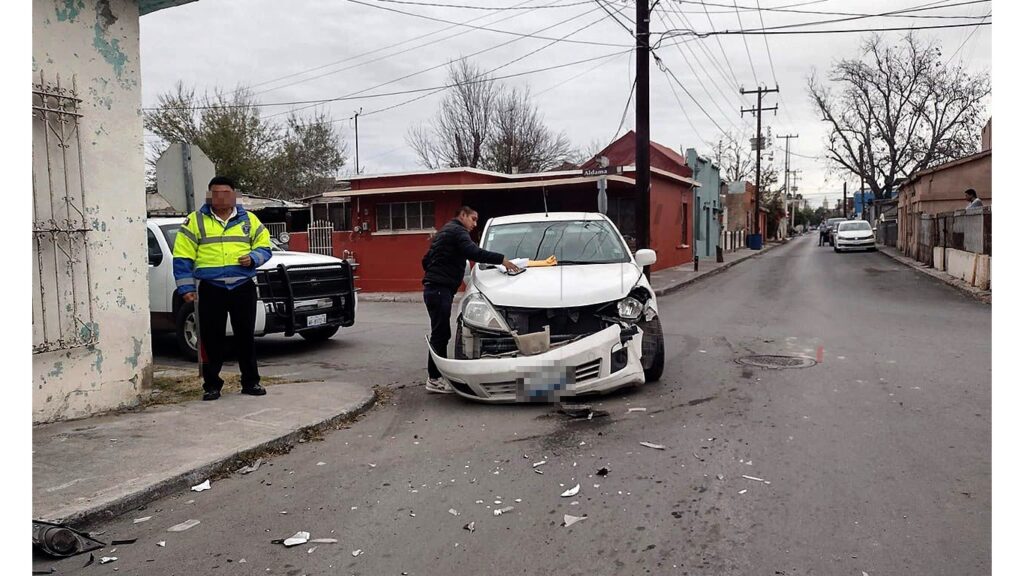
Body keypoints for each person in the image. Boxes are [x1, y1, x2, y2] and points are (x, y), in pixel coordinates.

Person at [173, 176, 274, 401]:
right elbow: (182, 256)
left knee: (245, 336)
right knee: (210, 338)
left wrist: (254, 257)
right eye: (216, 193)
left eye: (226, 192)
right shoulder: (195, 221)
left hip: (242, 287)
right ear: (209, 195)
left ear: (234, 194)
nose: (221, 197)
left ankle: (251, 382)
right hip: (211, 288)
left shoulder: (249, 220)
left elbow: (265, 247)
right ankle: (212, 385)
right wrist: (186, 287)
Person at [421, 206, 521, 394]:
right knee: (440, 334)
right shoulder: (458, 232)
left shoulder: (445, 231)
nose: (475, 224)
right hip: (439, 290)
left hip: (434, 288)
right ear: (463, 215)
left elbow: (425, 260)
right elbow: (473, 252)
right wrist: (502, 260)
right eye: (473, 219)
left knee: (440, 333)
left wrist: (438, 273)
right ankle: (434, 379)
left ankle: (436, 376)